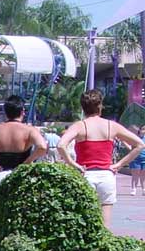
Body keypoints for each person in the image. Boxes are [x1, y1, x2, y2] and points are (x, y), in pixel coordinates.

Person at [58, 89, 144, 228]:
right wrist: (119, 165)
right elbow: (139, 145)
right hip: (106, 175)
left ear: (83, 107)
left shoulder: (79, 126)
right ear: (100, 106)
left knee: (83, 222)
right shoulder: (112, 126)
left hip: (85, 175)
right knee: (105, 224)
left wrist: (73, 164)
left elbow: (61, 145)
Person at [130, 125, 145, 196]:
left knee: (143, 175)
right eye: (143, 129)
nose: (143, 131)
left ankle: (143, 190)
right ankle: (134, 189)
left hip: (144, 159)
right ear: (139, 130)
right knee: (135, 175)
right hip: (136, 159)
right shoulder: (135, 138)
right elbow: (130, 146)